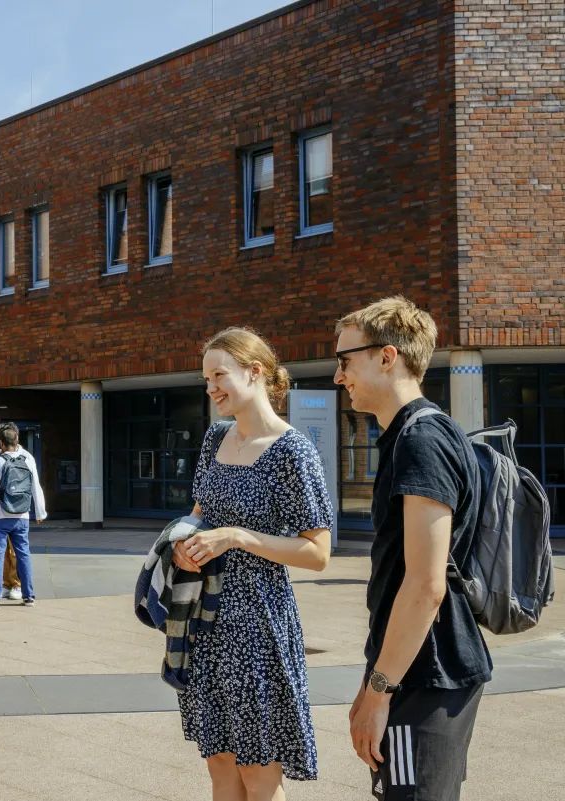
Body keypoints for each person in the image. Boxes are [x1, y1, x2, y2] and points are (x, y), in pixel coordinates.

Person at [333, 297, 489, 801]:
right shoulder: (410, 435)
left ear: (387, 356)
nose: (338, 376)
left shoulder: (422, 440)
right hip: (412, 670)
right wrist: (372, 683)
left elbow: (425, 585)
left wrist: (380, 691)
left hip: (427, 674)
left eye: (345, 360)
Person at [173, 326, 333, 800]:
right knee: (221, 766)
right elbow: (198, 515)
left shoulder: (292, 450)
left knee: (259, 775)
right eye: (206, 379)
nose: (211, 387)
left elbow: (318, 552)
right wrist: (184, 543)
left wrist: (238, 537)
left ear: (255, 372)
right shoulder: (215, 438)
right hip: (205, 620)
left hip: (258, 626)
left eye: (219, 375)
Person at [0, 422, 47, 608]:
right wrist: (40, 511)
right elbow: (35, 487)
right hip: (22, 516)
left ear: (1, 443)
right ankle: (29, 596)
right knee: (24, 554)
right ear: (17, 440)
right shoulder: (28, 459)